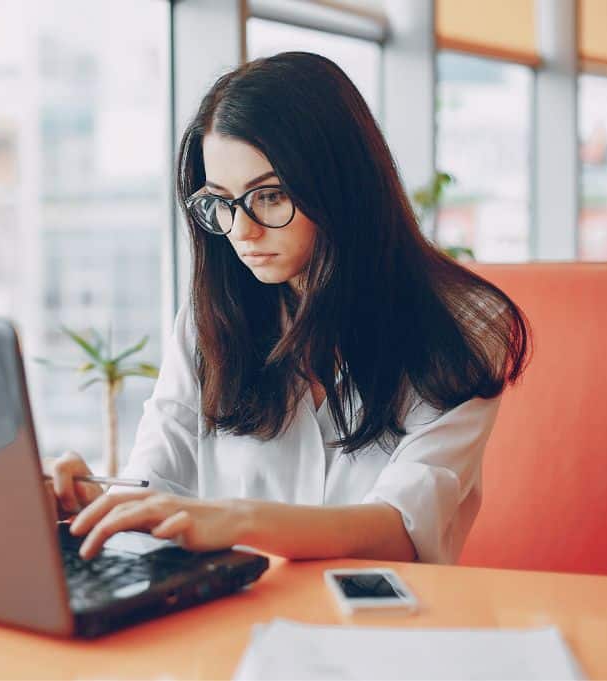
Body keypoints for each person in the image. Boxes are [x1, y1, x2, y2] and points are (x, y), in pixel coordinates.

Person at [44, 52, 529, 565]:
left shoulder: (463, 328)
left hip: (381, 628)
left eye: (270, 196)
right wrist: (99, 506)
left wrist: (238, 519)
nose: (242, 231)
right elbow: (160, 481)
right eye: (220, 203)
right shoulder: (214, 315)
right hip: (236, 623)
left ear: (340, 185)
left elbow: (401, 528)